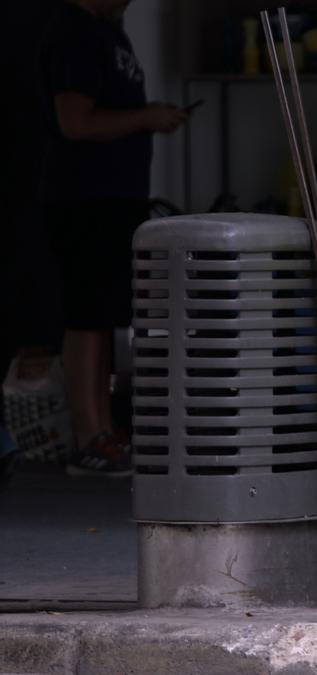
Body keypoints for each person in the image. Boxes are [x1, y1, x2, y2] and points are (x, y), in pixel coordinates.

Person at [40, 0, 187, 477]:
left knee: (103, 316)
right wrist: (147, 117)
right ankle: (89, 436)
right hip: (84, 197)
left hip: (116, 197)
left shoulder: (110, 32)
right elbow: (74, 122)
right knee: (86, 318)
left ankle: (103, 429)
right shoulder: (75, 33)